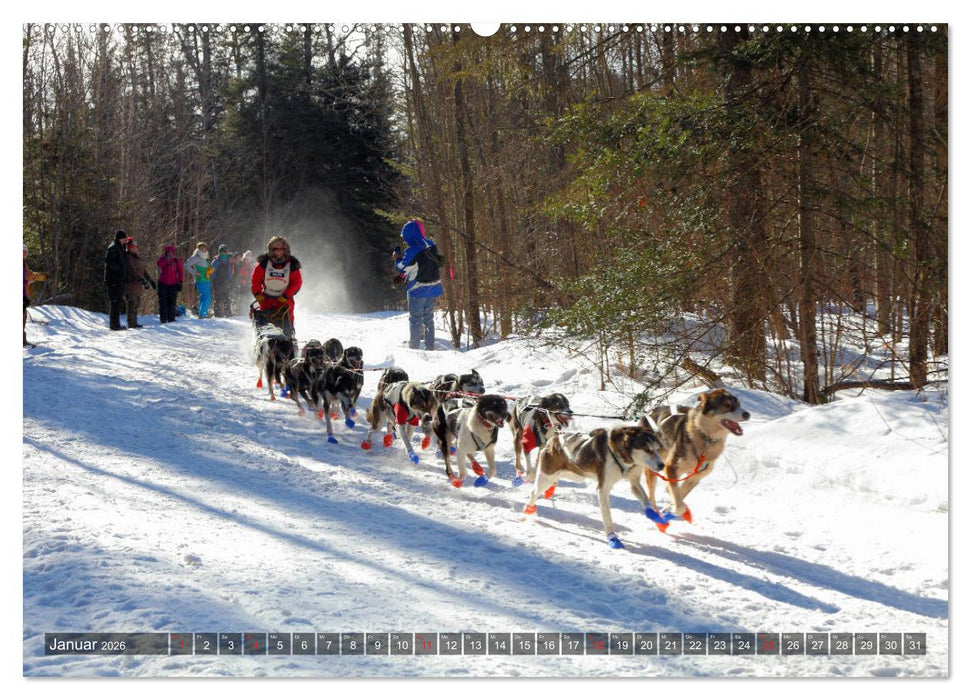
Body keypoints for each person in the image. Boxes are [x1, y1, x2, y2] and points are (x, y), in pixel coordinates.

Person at [394, 219, 443, 350]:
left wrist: (397, 258)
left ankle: (414, 348)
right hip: (433, 288)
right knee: (428, 319)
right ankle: (430, 346)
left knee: (415, 319)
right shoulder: (430, 244)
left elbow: (402, 268)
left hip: (417, 290)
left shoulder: (412, 250)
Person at [251, 236, 302, 337]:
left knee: (287, 329)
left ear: (285, 250)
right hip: (266, 300)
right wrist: (257, 294)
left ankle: (289, 343)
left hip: (284, 301)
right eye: (275, 249)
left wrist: (286, 295)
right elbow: (255, 280)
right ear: (271, 250)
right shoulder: (264, 263)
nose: (278, 252)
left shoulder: (292, 265)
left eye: (281, 249)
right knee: (264, 329)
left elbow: (297, 283)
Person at [123, 240, 155, 329]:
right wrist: (141, 279)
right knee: (131, 304)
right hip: (130, 284)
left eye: (136, 247)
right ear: (129, 248)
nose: (135, 249)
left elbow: (143, 270)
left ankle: (134, 322)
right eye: (133, 247)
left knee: (136, 304)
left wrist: (150, 279)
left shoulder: (137, 258)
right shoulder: (128, 257)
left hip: (137, 286)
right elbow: (132, 270)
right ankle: (131, 323)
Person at [104, 230, 131, 331]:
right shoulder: (113, 248)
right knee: (115, 302)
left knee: (118, 302)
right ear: (121, 238)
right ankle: (114, 325)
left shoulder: (120, 247)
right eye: (124, 238)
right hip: (114, 280)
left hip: (119, 280)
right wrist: (119, 269)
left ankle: (116, 323)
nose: (125, 240)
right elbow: (109, 261)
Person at [23, 244, 46, 346]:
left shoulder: (24, 264)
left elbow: (27, 276)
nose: (25, 253)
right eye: (23, 251)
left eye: (26, 251)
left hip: (23, 294)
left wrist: (36, 276)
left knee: (23, 317)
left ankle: (22, 340)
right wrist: (27, 283)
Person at [185, 242, 213, 318]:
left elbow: (206, 267)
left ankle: (202, 313)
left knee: (203, 297)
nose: (203, 249)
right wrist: (194, 272)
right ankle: (203, 314)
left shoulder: (205, 257)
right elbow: (186, 265)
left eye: (204, 247)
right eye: (201, 248)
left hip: (206, 280)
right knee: (207, 297)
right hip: (200, 280)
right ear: (198, 249)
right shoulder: (196, 257)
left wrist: (209, 270)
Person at [156, 245, 183, 324]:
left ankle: (171, 318)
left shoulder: (176, 260)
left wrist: (180, 281)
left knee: (172, 302)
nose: (170, 254)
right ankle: (163, 318)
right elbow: (159, 264)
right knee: (163, 301)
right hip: (162, 283)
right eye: (169, 252)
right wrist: (166, 259)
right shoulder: (162, 259)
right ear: (166, 252)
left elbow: (180, 271)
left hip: (173, 283)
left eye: (172, 252)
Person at [211, 244, 235, 317]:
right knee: (218, 298)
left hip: (226, 282)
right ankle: (217, 313)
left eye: (224, 252)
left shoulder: (228, 261)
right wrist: (213, 280)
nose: (222, 254)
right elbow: (211, 272)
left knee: (227, 298)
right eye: (221, 252)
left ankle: (228, 313)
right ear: (219, 252)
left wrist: (230, 280)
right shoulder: (216, 261)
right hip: (218, 282)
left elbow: (229, 272)